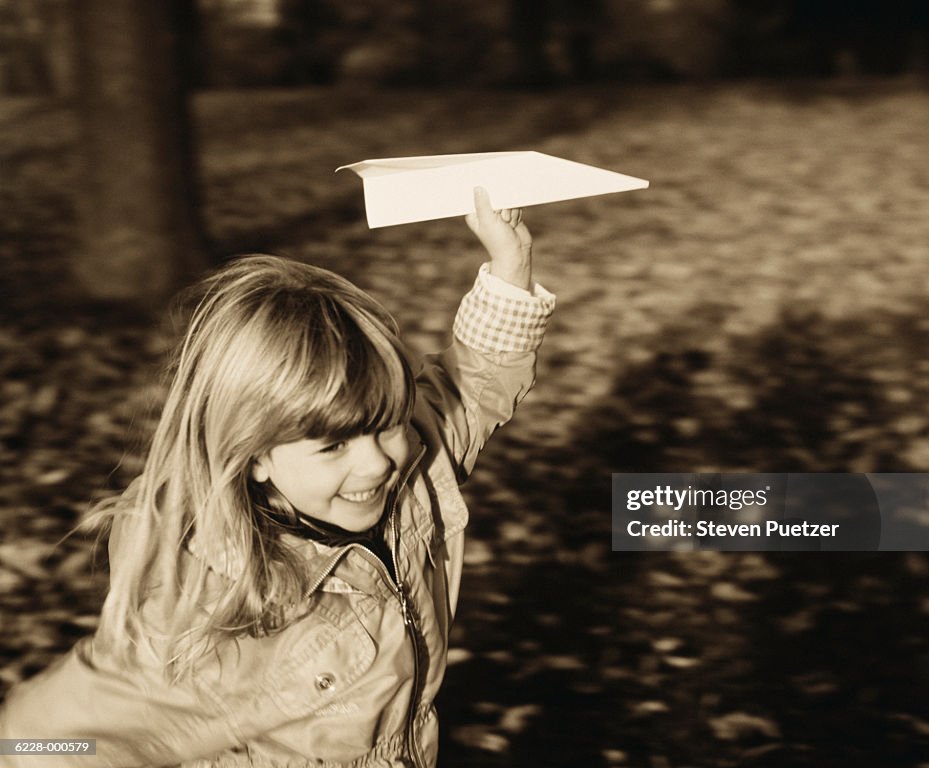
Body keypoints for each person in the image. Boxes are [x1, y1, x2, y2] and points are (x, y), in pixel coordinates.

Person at [0, 187, 555, 767]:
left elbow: (466, 390)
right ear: (253, 453)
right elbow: (38, 742)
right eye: (333, 445)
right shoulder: (213, 600)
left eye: (385, 426)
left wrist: (509, 268)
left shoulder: (410, 466)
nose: (377, 463)